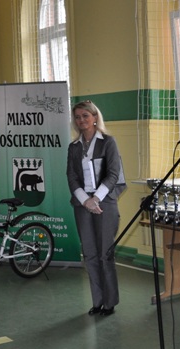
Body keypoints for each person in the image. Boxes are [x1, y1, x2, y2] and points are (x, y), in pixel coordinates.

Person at [66, 100, 126, 317]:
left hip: (104, 203)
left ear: (94, 117)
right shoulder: (74, 147)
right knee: (90, 254)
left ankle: (110, 302)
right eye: (78, 117)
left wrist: (96, 199)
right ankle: (98, 301)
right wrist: (85, 201)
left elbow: (113, 174)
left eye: (85, 116)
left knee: (105, 254)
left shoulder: (108, 142)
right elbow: (71, 177)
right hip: (82, 205)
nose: (81, 120)